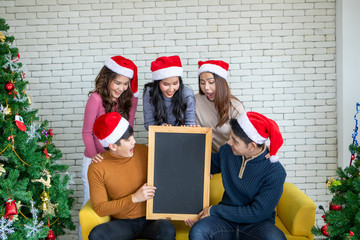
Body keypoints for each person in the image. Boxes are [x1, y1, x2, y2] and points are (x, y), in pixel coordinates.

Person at [187, 112, 287, 240]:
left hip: (257, 225)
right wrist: (197, 140)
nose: (229, 142)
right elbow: (201, 165)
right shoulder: (227, 152)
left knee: (276, 238)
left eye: (234, 140)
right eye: (230, 137)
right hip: (225, 221)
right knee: (198, 231)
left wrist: (215, 210)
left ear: (252, 146)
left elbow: (257, 213)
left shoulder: (275, 172)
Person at [88, 112, 176, 240]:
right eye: (128, 140)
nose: (134, 142)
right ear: (113, 146)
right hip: (124, 224)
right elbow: (100, 208)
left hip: (150, 220)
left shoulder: (143, 151)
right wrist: (134, 198)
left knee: (167, 228)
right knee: (97, 235)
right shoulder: (97, 168)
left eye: (132, 137)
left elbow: (170, 171)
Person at [82, 55, 139, 207]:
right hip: (95, 159)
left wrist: (133, 100)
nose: (121, 88)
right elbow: (87, 132)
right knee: (91, 206)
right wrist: (95, 156)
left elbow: (128, 131)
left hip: (115, 159)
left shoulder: (128, 100)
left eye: (125, 84)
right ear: (107, 79)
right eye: (117, 83)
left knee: (111, 206)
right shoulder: (95, 99)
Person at [195, 60, 245, 152]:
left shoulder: (235, 107)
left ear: (221, 83)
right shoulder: (194, 101)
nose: (206, 87)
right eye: (202, 83)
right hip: (205, 156)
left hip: (231, 155)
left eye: (211, 82)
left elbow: (246, 138)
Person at [143, 55, 196, 130]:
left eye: (175, 83)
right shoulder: (150, 93)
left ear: (179, 81)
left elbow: (190, 124)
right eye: (166, 84)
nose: (171, 89)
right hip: (159, 136)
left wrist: (185, 129)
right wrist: (162, 127)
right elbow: (149, 124)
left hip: (183, 137)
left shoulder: (187, 94)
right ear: (158, 83)